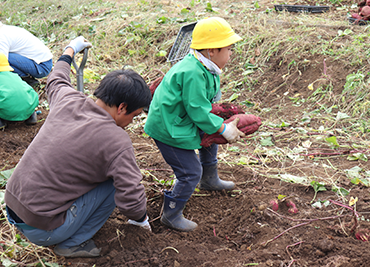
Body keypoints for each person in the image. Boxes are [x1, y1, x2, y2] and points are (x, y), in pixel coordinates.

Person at [4, 36, 152, 258]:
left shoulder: (67, 99)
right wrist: (142, 221)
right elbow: (130, 194)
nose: (132, 122)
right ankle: (73, 243)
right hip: (42, 229)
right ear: (122, 107)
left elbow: (55, 79)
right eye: (135, 115)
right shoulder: (116, 141)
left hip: (12, 205)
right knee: (113, 183)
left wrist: (70, 50)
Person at [144, 17, 244, 232]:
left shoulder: (207, 67)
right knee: (189, 172)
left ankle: (210, 179)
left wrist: (217, 123)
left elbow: (204, 107)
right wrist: (224, 128)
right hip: (168, 128)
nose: (230, 53)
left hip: (181, 118)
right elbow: (198, 111)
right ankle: (170, 214)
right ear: (211, 50)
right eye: (228, 48)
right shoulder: (193, 72)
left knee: (210, 140)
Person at [0, 22, 53, 86]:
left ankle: (28, 81)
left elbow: (2, 62)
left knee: (3, 60)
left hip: (42, 65)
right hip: (42, 62)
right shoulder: (6, 29)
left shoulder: (2, 36)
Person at [0, 53, 38, 129]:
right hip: (28, 107)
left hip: (8, 111)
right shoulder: (15, 76)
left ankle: (1, 123)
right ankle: (31, 116)